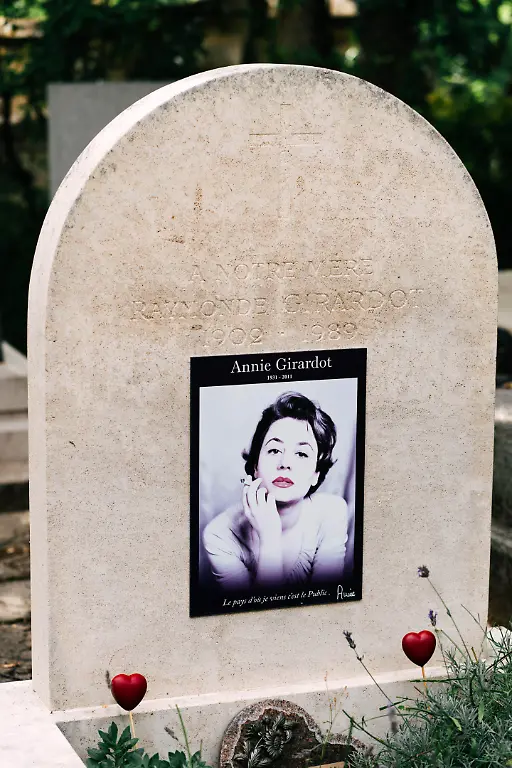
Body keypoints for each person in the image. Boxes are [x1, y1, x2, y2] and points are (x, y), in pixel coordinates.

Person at [203, 392, 348, 591]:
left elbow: (326, 601)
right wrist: (270, 537)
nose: (285, 464)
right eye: (274, 450)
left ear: (316, 473)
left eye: (301, 453)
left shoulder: (333, 512)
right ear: (255, 464)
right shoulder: (219, 535)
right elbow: (257, 617)